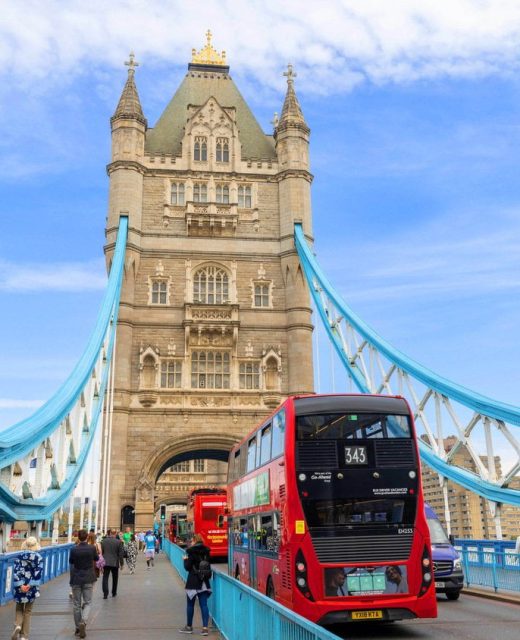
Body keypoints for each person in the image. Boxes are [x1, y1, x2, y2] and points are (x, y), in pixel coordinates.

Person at [179, 534, 212, 636]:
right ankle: (205, 628)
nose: (190, 543)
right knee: (204, 605)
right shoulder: (207, 551)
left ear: (194, 541)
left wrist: (185, 560)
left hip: (193, 581)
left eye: (191, 541)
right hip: (204, 582)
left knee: (190, 604)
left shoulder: (191, 551)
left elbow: (188, 567)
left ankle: (189, 627)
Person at [11, 536, 43, 640]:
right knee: (28, 611)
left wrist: (21, 585)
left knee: (19, 608)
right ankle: (24, 636)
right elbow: (38, 573)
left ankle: (17, 626)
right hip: (31, 588)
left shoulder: (19, 556)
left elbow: (16, 572)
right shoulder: (38, 557)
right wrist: (30, 585)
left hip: (20, 587)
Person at [69, 529, 98, 638]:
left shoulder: (73, 549)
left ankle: (77, 628)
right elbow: (96, 558)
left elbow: (71, 561)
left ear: (78, 538)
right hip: (88, 578)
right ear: (86, 537)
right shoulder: (92, 548)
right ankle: (83, 622)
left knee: (76, 604)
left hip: (76, 578)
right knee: (88, 602)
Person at [101, 529, 124, 599]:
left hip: (106, 562)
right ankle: (114, 592)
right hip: (115, 562)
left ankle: (105, 593)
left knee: (105, 578)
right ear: (115, 533)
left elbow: (102, 552)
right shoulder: (119, 542)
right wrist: (121, 563)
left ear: (109, 533)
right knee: (115, 578)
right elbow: (120, 554)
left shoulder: (103, 541)